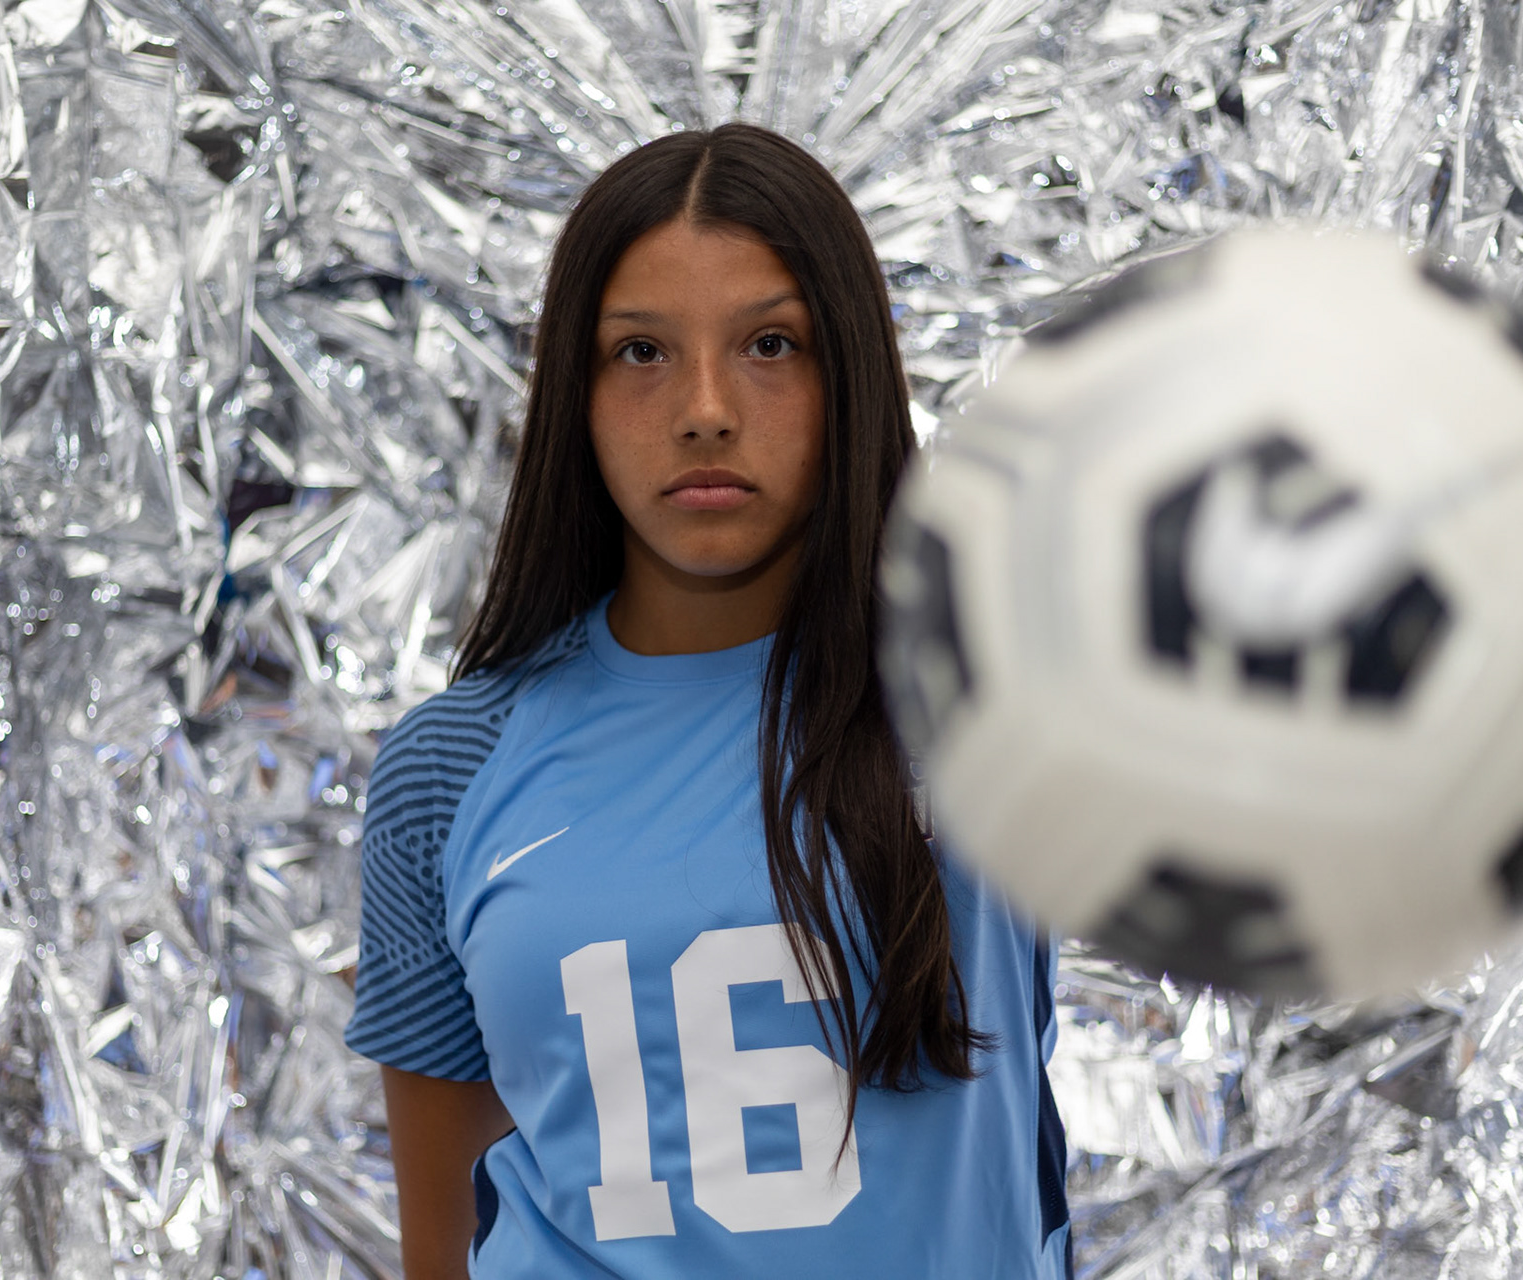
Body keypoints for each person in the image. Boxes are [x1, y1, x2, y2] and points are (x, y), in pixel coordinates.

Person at [343, 122, 1070, 1279]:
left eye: (771, 343)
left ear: (852, 377)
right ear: (573, 394)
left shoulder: (1001, 697)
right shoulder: (453, 765)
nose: (706, 407)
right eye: (641, 352)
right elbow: (441, 1244)